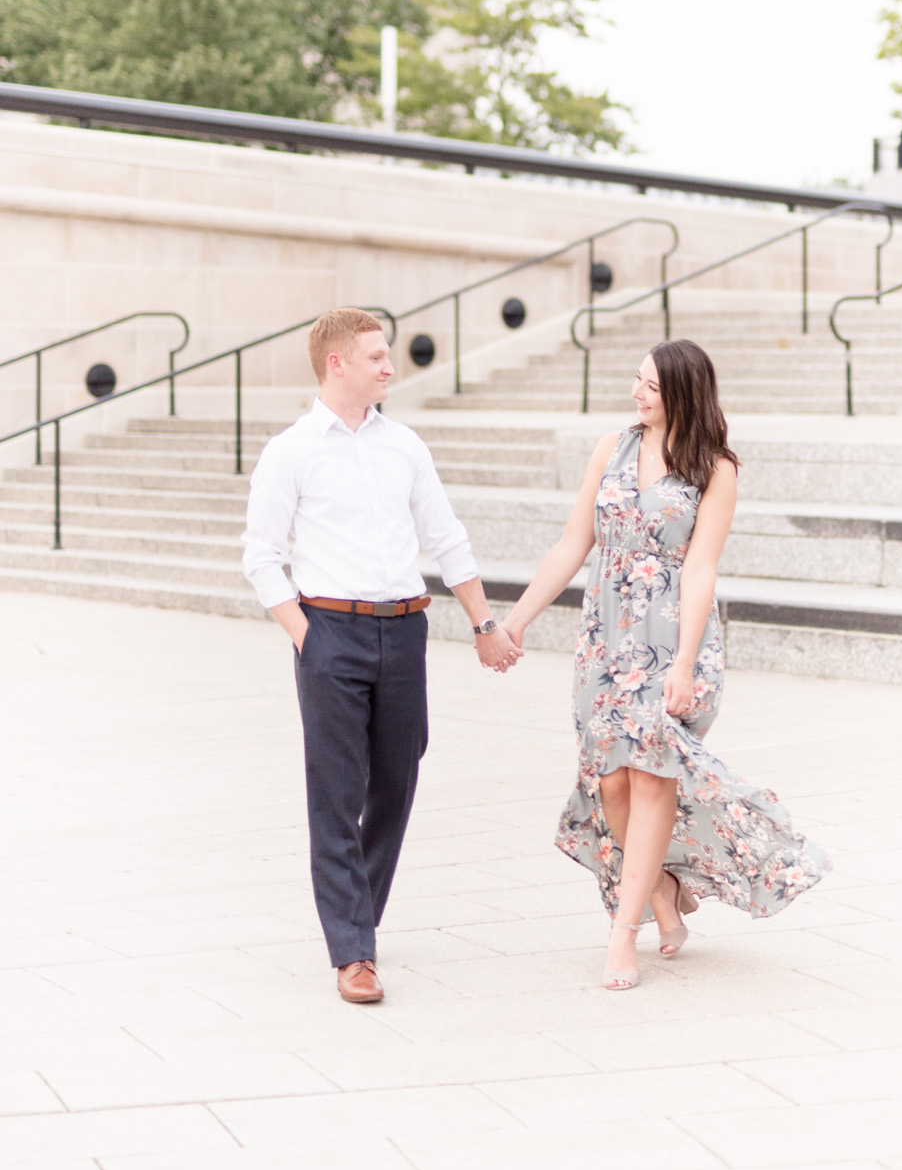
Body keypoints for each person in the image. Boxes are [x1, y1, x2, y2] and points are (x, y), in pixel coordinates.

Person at [504, 338, 830, 991]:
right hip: (604, 639)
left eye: (649, 386)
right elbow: (575, 542)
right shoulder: (612, 449)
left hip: (673, 639)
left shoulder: (714, 467)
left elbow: (701, 566)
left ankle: (623, 937)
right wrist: (515, 621)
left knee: (652, 779)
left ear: (682, 392)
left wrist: (683, 663)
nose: (636, 393)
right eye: (636, 381)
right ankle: (661, 894)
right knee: (612, 784)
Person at [241, 307, 521, 1004]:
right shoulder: (292, 451)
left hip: (403, 631)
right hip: (329, 629)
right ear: (337, 363)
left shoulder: (405, 447)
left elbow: (446, 538)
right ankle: (353, 950)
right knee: (335, 792)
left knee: (395, 780)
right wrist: (305, 636)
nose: (389, 366)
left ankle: (356, 919)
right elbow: (261, 557)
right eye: (375, 356)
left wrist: (485, 623)